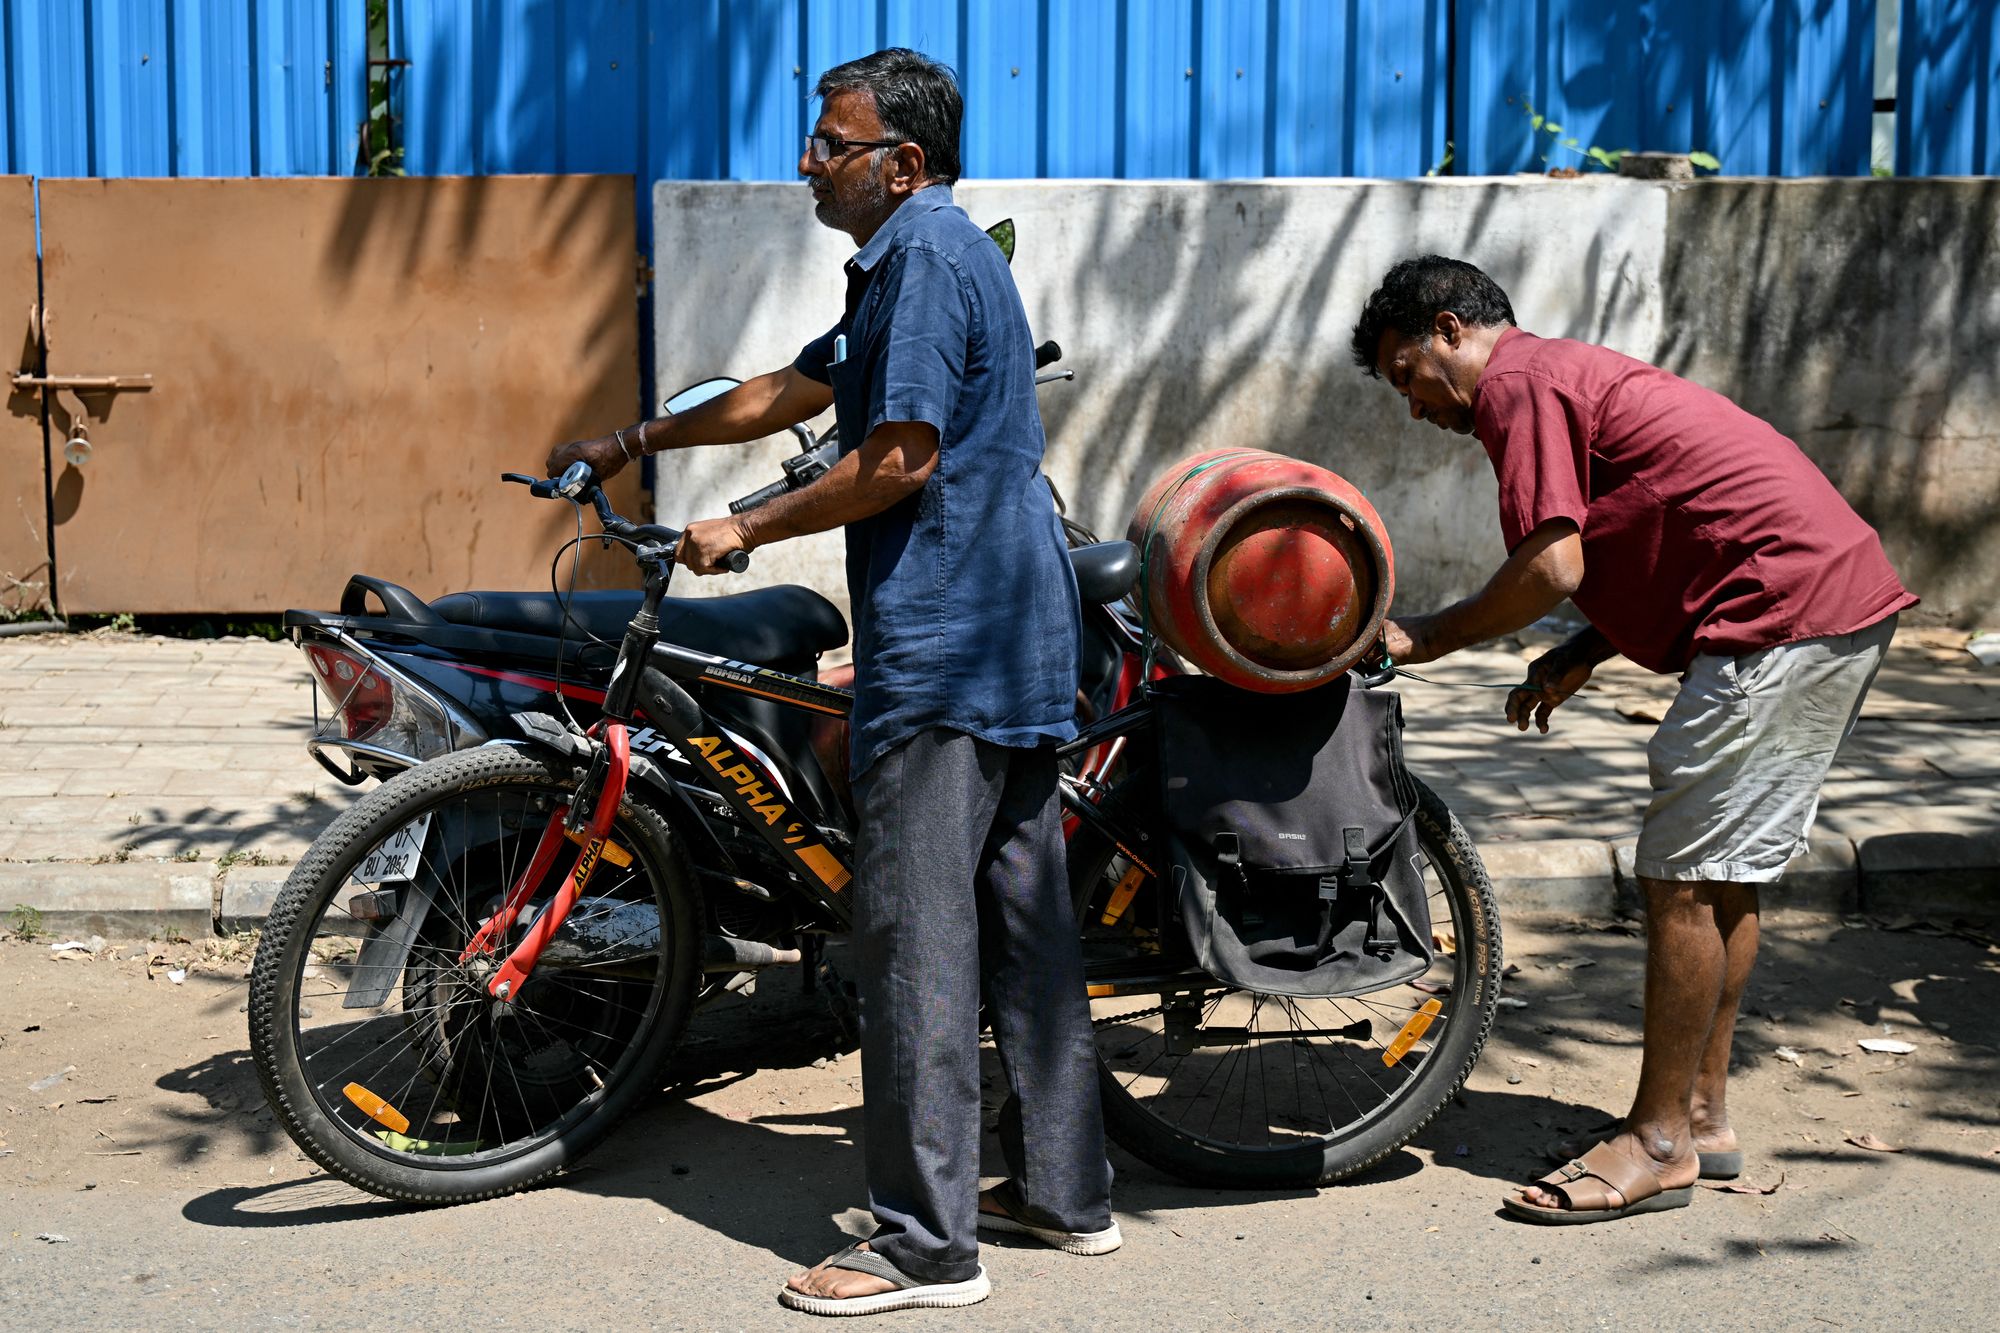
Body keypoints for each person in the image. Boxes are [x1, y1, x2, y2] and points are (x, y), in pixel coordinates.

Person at [546, 47, 1116, 1315]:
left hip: (949, 638)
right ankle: (1062, 1194)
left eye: (829, 142)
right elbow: (778, 392)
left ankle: (927, 1245)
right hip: (1016, 629)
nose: (806, 160)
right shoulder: (924, 257)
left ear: (899, 162)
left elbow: (897, 456)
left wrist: (738, 533)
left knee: (912, 934)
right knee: (1024, 925)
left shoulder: (919, 260)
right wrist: (633, 440)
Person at [1350, 256, 1915, 1226]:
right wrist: (1585, 650)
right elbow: (1667, 511)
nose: (1412, 407)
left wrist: (1427, 635)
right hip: (1827, 600)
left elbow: (1554, 560)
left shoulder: (1516, 385)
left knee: (1681, 881)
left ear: (1447, 329)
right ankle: (1699, 1116)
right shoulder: (1562, 375)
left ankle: (1655, 1144)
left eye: (1405, 374)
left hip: (1780, 615)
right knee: (1719, 873)